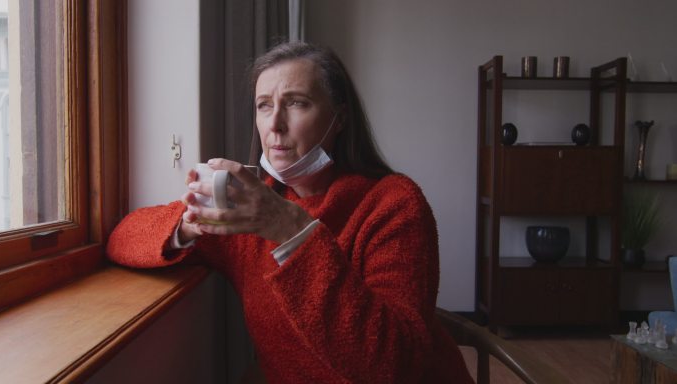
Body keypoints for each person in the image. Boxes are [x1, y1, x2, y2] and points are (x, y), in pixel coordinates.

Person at [107, 41, 473, 383]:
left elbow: (392, 366)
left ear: (340, 118)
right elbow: (123, 237)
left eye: (296, 102)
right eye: (264, 105)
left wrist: (292, 231)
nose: (275, 124)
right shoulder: (249, 209)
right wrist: (189, 226)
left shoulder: (395, 203)